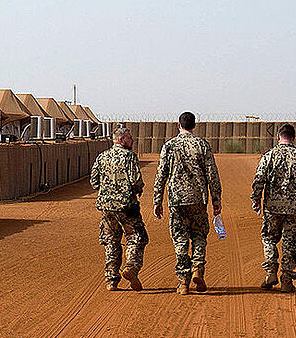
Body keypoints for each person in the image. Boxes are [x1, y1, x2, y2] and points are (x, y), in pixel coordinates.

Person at [153, 111, 222, 295]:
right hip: (198, 199)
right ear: (194, 125)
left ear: (178, 125)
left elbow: (161, 175)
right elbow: (212, 175)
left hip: (176, 200)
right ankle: (198, 268)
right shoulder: (202, 145)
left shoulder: (169, 146)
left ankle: (183, 282)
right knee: (199, 234)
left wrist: (157, 200)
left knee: (180, 238)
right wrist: (216, 199)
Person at [251, 123, 296, 292]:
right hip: (294, 208)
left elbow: (259, 179)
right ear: (294, 138)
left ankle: (270, 271)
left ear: (278, 137)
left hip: (272, 207)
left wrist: (256, 199)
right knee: (290, 242)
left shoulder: (269, 155)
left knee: (268, 238)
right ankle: (287, 279)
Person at [90, 126, 148, 291]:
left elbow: (94, 182)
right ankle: (131, 267)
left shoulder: (102, 156)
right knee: (137, 237)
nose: (133, 140)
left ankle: (111, 280)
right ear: (122, 140)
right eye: (130, 138)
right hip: (126, 207)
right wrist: (137, 190)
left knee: (111, 241)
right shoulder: (129, 157)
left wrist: (107, 192)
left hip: (107, 208)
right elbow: (136, 180)